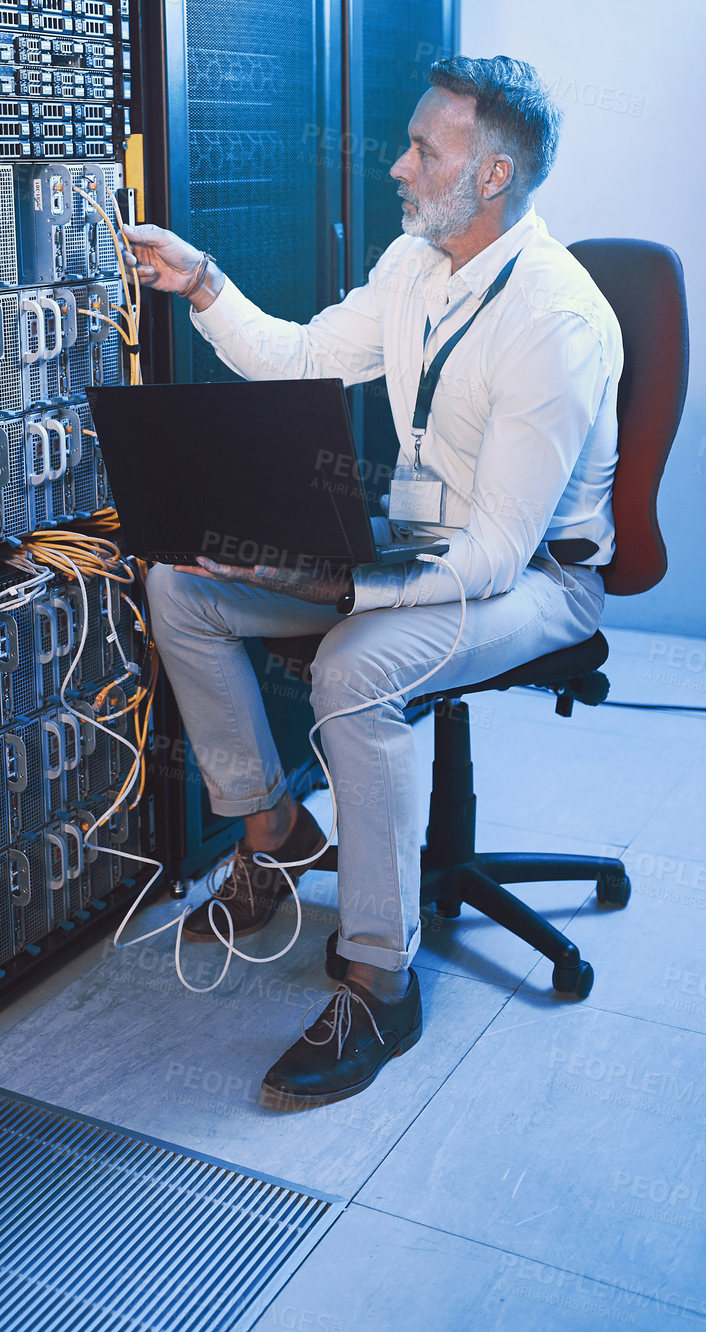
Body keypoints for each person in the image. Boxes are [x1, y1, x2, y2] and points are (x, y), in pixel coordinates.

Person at [122, 55, 622, 1110]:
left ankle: (378, 978)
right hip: (415, 541)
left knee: (353, 663)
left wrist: (341, 592)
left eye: (421, 150)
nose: (395, 166)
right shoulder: (413, 264)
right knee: (182, 588)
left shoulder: (553, 322)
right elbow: (297, 353)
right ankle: (270, 830)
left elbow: (492, 554)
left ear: (490, 174)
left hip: (533, 577)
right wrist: (201, 280)